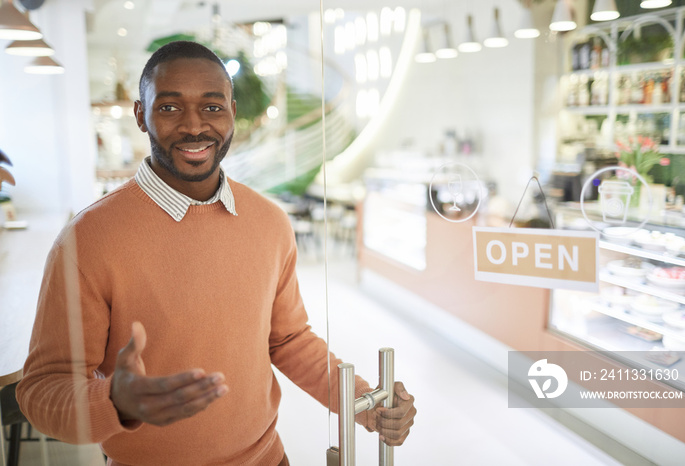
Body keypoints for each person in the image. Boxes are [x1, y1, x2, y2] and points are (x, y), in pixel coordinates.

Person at [16, 41, 416, 465]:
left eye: (211, 107)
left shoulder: (269, 222)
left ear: (232, 114)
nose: (194, 126)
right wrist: (115, 400)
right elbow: (43, 389)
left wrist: (365, 402)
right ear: (140, 115)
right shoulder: (88, 239)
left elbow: (288, 340)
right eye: (169, 108)